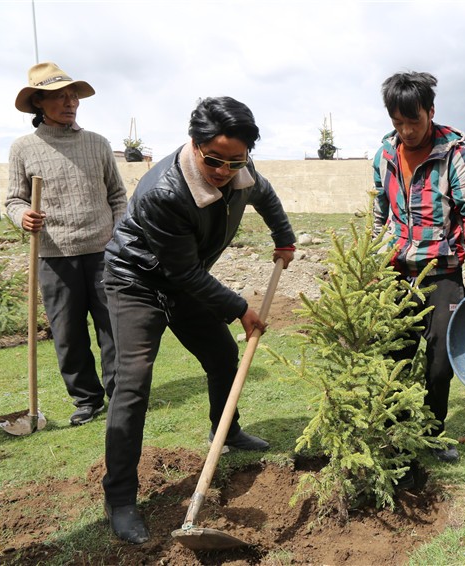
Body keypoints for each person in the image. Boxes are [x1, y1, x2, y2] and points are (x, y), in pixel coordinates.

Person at [101, 96, 296, 543]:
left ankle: (226, 432)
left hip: (185, 280)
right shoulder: (164, 192)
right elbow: (183, 273)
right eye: (214, 160)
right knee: (132, 383)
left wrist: (284, 237)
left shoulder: (242, 171)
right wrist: (239, 308)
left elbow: (265, 195)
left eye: (236, 160)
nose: (225, 171)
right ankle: (121, 498)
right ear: (194, 144)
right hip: (136, 281)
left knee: (222, 354)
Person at [372, 71, 465, 464]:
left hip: (442, 270)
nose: (407, 131)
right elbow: (379, 213)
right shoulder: (384, 156)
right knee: (394, 356)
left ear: (431, 111)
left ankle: (432, 432)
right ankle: (397, 433)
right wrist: (372, 258)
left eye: (414, 120)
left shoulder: (454, 154)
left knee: (441, 360)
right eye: (398, 122)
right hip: (396, 271)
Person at [6, 62, 127, 426]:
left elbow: (118, 196)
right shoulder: (23, 148)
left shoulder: (98, 144)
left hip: (103, 251)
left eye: (73, 96)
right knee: (68, 333)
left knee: (113, 328)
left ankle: (122, 395)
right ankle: (87, 400)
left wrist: (118, 235)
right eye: (60, 96)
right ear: (38, 103)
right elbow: (14, 200)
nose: (70, 102)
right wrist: (23, 216)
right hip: (54, 256)